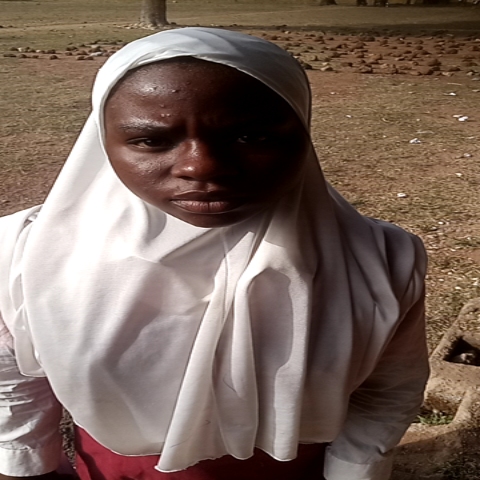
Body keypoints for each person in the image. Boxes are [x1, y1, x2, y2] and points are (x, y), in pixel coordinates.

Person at [0, 27, 429, 480]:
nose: (201, 166)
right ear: (101, 143)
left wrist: (356, 471)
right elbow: (13, 381)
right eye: (151, 140)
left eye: (250, 136)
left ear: (303, 133)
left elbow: (387, 387)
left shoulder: (379, 260)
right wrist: (27, 466)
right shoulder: (26, 255)